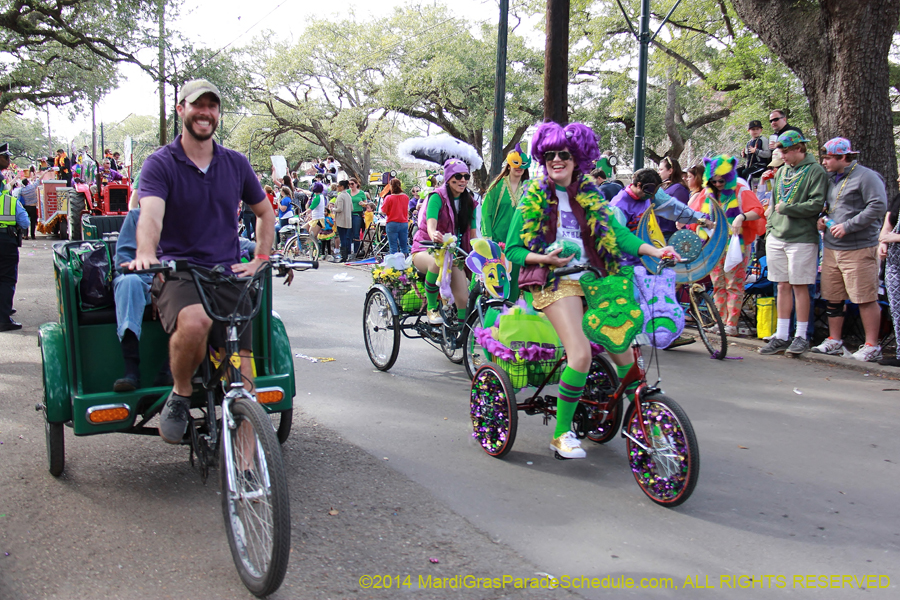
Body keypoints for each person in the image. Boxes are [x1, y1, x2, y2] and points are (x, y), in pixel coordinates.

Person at [504, 122, 680, 459]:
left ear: (577, 158)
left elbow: (619, 235)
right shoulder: (534, 196)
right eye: (551, 154)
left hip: (594, 281)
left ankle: (644, 419)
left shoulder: (590, 195)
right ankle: (561, 434)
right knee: (581, 354)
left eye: (565, 155)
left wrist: (655, 251)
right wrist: (544, 258)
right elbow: (513, 249)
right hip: (554, 282)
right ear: (543, 158)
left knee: (626, 355)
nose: (557, 160)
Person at [125, 79, 275, 445]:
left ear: (218, 114)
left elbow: (265, 212)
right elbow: (151, 216)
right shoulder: (161, 163)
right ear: (181, 110)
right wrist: (146, 252)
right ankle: (179, 394)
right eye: (197, 105)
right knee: (195, 321)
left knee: (242, 364)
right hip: (180, 271)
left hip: (225, 272)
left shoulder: (235, 163)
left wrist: (260, 257)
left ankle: (250, 464)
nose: (205, 112)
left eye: (212, 106)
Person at [811, 137, 887, 362]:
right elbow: (831, 207)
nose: (824, 162)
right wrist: (822, 220)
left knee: (865, 296)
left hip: (859, 247)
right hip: (833, 248)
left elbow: (878, 205)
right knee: (833, 297)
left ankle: (872, 345)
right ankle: (834, 340)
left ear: (843, 157)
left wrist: (849, 226)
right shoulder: (831, 178)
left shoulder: (866, 176)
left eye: (827, 158)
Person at [758, 130, 828, 357]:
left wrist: (788, 209)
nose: (783, 156)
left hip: (801, 238)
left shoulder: (815, 170)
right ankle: (781, 335)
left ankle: (801, 336)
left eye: (786, 152)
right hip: (777, 236)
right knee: (781, 285)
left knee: (800, 286)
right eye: (781, 152)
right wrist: (770, 230)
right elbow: (774, 204)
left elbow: (817, 204)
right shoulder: (782, 171)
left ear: (799, 148)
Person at [689, 156, 765, 336]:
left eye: (721, 180)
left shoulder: (740, 190)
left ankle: (731, 323)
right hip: (715, 245)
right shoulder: (707, 193)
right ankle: (720, 322)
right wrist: (703, 223)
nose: (717, 183)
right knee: (718, 284)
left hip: (736, 245)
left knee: (734, 284)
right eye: (713, 180)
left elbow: (757, 211)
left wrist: (741, 217)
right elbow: (696, 214)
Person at [410, 158, 477, 325]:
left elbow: (473, 234)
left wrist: (482, 249)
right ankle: (431, 307)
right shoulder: (436, 197)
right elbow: (430, 224)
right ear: (448, 178)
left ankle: (464, 333)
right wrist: (434, 234)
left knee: (463, 297)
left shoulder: (469, 201)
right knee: (436, 263)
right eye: (458, 176)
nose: (463, 180)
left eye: (466, 177)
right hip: (425, 249)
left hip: (452, 253)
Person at [482, 147, 531, 300]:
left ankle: (509, 315)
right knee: (496, 281)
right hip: (498, 242)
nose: (519, 168)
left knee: (514, 281)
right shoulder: (496, 187)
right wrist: (487, 239)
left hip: (518, 243)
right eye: (516, 164)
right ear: (509, 165)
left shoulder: (529, 189)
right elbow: (486, 214)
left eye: (523, 164)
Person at [0, 143, 29, 331]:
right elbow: (25, 223)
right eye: (6, 157)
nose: (9, 161)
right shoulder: (7, 201)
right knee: (6, 279)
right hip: (5, 241)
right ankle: (3, 318)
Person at [877, 174, 900, 366]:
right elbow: (887, 226)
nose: (898, 179)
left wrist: (895, 238)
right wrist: (883, 241)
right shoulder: (898, 198)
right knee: (896, 308)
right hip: (894, 263)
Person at [657, 157, 690, 240]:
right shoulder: (666, 187)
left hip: (671, 233)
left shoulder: (678, 189)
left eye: (661, 169)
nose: (659, 172)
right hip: (662, 231)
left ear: (670, 171)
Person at [381, 178, 410, 255]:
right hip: (403, 223)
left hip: (392, 223)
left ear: (391, 186)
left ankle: (394, 264)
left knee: (393, 247)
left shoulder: (388, 198)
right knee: (404, 246)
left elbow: (383, 211)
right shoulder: (405, 197)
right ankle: (406, 262)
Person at [739, 120, 771, 185]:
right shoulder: (749, 142)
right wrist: (744, 155)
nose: (755, 131)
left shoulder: (763, 140)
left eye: (757, 129)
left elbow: (768, 154)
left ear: (761, 130)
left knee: (746, 173)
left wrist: (756, 151)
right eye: (753, 129)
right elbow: (749, 156)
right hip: (750, 166)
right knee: (737, 172)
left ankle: (748, 190)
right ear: (749, 131)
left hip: (760, 166)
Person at [331, 180, 353, 262]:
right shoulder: (348, 195)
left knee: (342, 237)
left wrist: (333, 209)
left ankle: (344, 256)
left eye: (338, 186)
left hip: (341, 219)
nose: (337, 187)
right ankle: (347, 254)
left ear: (342, 186)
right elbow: (351, 208)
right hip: (348, 219)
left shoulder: (340, 196)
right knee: (347, 237)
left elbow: (339, 209)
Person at [348, 177, 366, 256]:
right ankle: (348, 251)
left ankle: (356, 251)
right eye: (349, 184)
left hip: (357, 214)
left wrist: (363, 203)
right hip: (348, 214)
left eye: (352, 184)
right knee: (348, 233)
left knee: (356, 233)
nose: (351, 185)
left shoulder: (361, 193)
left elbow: (366, 203)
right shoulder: (347, 192)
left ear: (356, 184)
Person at [305, 181, 326, 246]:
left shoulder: (317, 198)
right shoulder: (320, 195)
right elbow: (310, 193)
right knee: (304, 229)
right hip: (315, 219)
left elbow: (310, 209)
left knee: (311, 237)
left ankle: (314, 252)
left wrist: (302, 213)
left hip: (317, 219)